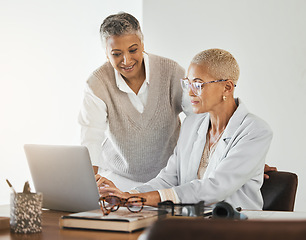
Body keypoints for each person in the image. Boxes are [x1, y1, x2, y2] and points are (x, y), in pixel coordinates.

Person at [98, 48, 273, 210]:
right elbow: (168, 179)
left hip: (233, 227)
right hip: (191, 224)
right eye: (187, 83)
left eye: (197, 84)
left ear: (227, 87)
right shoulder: (192, 124)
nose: (189, 92)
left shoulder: (255, 131)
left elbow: (214, 188)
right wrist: (128, 196)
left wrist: (139, 199)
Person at [78, 12, 192, 191]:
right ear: (107, 54)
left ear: (142, 44)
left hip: (168, 179)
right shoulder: (96, 83)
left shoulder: (172, 72)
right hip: (118, 180)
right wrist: (88, 189)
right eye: (116, 54)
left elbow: (199, 120)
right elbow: (91, 137)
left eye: (133, 50)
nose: (127, 60)